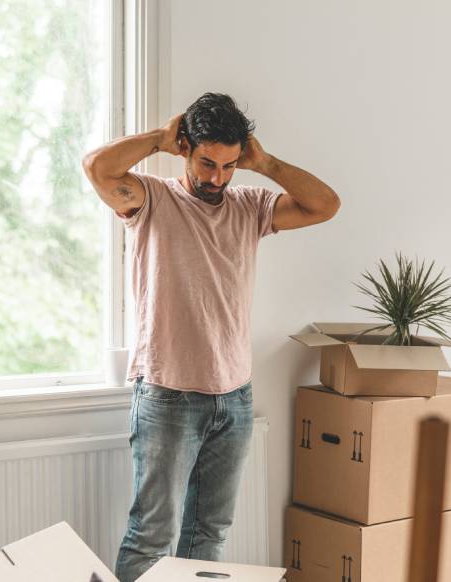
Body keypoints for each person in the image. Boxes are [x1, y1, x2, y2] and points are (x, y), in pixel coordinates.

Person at [82, 92, 340, 582]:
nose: (216, 178)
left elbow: (325, 205)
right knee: (151, 535)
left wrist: (264, 163)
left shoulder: (250, 206)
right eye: (206, 163)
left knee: (209, 534)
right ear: (185, 149)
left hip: (234, 397)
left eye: (228, 165)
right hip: (167, 393)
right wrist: (158, 138)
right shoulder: (151, 199)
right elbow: (97, 167)